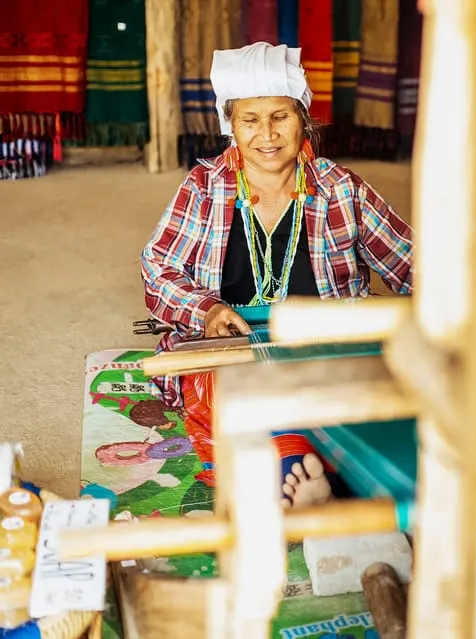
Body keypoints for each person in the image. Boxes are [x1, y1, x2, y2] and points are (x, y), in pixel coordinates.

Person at [140, 42, 414, 509]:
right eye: (250, 120)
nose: (266, 134)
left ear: (303, 120)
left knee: (369, 385)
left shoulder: (341, 189)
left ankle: (289, 466)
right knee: (232, 389)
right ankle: (300, 465)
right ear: (230, 125)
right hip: (233, 351)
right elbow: (157, 267)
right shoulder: (204, 189)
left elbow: (410, 262)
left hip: (322, 348)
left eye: (280, 117)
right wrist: (207, 310)